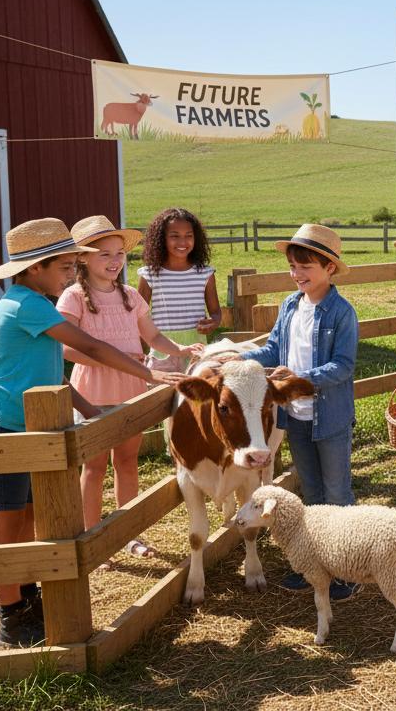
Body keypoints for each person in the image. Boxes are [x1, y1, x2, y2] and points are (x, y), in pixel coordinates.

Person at [0, 218, 187, 648]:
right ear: (35, 268)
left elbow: (51, 374)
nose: (71, 274)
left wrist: (90, 413)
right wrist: (148, 373)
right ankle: (11, 617)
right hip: (3, 425)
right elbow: (90, 347)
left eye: (73, 266)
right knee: (8, 523)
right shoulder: (26, 304)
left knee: (31, 517)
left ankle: (26, 597)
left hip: (33, 424)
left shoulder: (36, 302)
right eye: (65, 267)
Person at [58, 216, 201, 565]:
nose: (114, 261)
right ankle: (92, 536)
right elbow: (65, 348)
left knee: (126, 461)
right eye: (104, 254)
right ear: (83, 258)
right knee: (93, 467)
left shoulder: (131, 296)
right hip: (93, 392)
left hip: (131, 391)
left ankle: (128, 534)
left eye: (119, 253)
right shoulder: (74, 297)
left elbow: (152, 336)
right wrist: (115, 359)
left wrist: (179, 349)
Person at [234, 224, 361, 603]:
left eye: (305, 266)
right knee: (312, 491)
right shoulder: (291, 306)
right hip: (296, 417)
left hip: (330, 418)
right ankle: (316, 564)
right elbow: (273, 349)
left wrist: (300, 377)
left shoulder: (342, 313)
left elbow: (343, 366)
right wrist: (237, 355)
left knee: (337, 492)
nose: (297, 274)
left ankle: (348, 568)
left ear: (329, 268)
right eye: (293, 266)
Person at [137, 208, 221, 372]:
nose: (183, 242)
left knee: (197, 388)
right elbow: (138, 317)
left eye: (188, 236)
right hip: (162, 349)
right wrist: (140, 350)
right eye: (175, 236)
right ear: (162, 238)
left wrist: (214, 322)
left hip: (197, 349)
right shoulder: (149, 274)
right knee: (160, 388)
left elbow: (216, 312)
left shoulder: (205, 274)